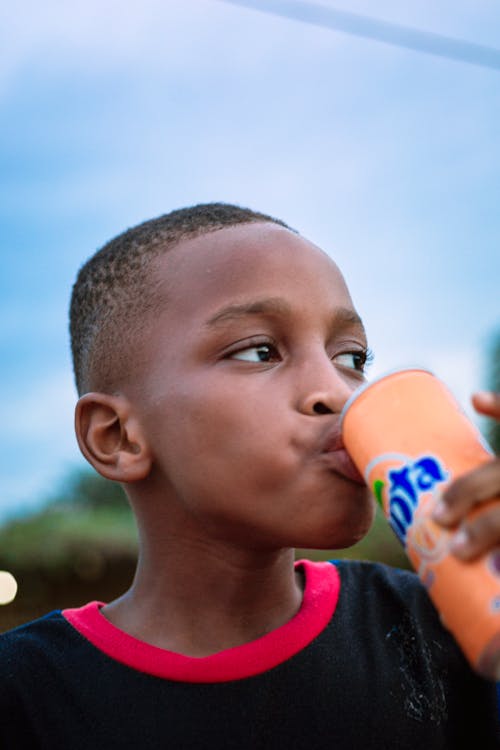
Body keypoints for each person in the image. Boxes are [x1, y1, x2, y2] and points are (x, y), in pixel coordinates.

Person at [1, 203, 499, 749]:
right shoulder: (25, 693)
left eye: (352, 358)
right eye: (261, 352)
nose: (336, 391)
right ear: (116, 437)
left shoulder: (448, 627)